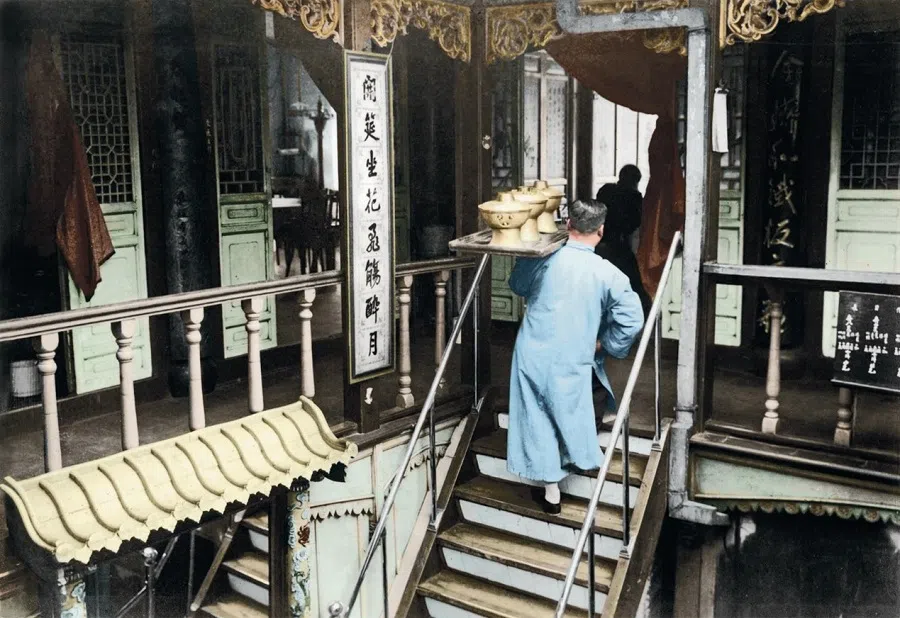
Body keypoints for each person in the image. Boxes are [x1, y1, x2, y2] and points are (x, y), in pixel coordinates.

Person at [506, 199, 645, 514]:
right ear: (601, 230)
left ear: (568, 224)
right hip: (574, 352)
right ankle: (576, 457)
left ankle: (551, 491)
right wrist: (605, 343)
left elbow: (517, 285)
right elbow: (632, 320)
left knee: (536, 413)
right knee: (568, 404)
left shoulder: (544, 259)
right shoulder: (607, 272)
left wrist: (529, 254)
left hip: (533, 350)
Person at [595, 165, 652, 318]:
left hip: (598, 244)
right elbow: (634, 224)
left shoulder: (606, 190)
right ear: (636, 181)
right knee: (635, 286)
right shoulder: (634, 197)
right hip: (618, 246)